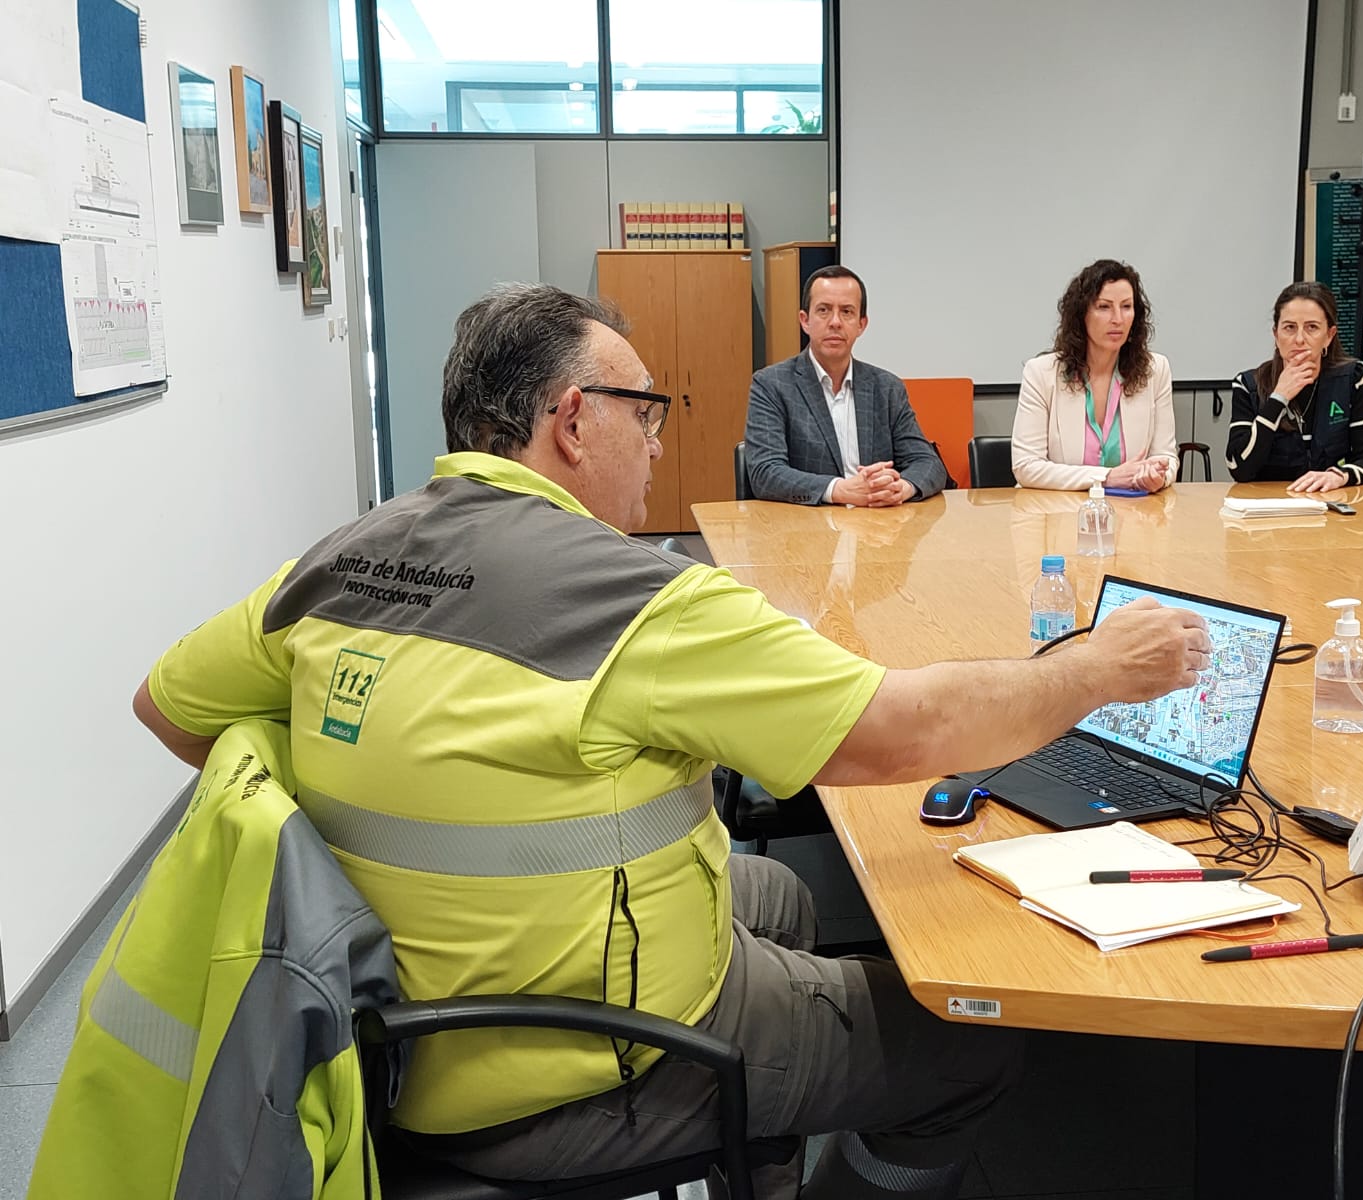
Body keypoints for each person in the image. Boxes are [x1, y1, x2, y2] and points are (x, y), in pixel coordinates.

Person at [131, 283, 1210, 1200]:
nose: (655, 440)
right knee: (967, 1039)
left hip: (379, 1021)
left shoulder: (343, 558)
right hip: (580, 1058)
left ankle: (778, 1115)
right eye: (642, 413)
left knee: (785, 899)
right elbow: (901, 732)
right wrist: (1093, 670)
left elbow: (170, 708)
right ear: (569, 418)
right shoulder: (634, 602)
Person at [745, 265, 949, 506]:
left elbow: (928, 463)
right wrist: (839, 490)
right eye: (823, 310)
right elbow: (765, 473)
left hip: (879, 530)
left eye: (847, 312)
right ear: (805, 321)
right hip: (808, 529)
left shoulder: (887, 388)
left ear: (861, 324)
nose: (835, 322)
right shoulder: (772, 385)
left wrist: (900, 488)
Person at [1011, 259, 1178, 492]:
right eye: (1104, 307)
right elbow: (1026, 466)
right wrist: (1106, 477)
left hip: (1134, 516)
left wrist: (1156, 475)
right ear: (1082, 315)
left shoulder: (1156, 370)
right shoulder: (1041, 373)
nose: (1118, 319)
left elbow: (1166, 457)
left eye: (1127, 306)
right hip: (1058, 516)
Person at [1226, 281, 1363, 490]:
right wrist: (1278, 398)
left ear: (1329, 336)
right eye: (1289, 328)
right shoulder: (1249, 385)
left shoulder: (1352, 378)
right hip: (1269, 511)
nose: (1299, 339)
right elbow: (1239, 468)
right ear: (1276, 335)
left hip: (1331, 507)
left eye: (1312, 327)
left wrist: (1339, 476)